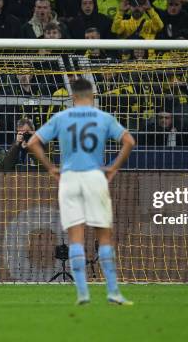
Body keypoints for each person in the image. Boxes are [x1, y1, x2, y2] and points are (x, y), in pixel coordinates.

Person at [27, 78, 136, 305]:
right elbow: (129, 141)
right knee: (104, 236)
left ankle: (83, 293)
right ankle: (113, 292)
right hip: (94, 176)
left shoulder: (61, 117)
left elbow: (32, 142)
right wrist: (114, 168)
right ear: (93, 96)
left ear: (73, 97)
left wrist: (50, 168)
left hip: (69, 178)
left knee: (75, 236)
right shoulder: (103, 117)